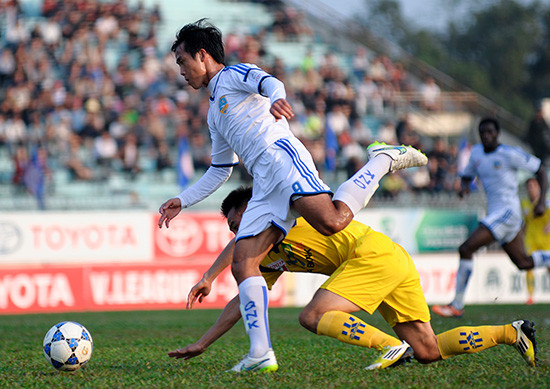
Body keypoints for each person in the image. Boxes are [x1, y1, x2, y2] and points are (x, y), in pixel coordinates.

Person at [157, 19, 428, 371]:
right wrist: (184, 199)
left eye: (182, 61)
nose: (180, 70)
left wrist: (278, 100)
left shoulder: (233, 74)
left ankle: (382, 160)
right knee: (244, 261)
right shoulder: (214, 112)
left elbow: (270, 82)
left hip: (280, 156)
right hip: (263, 178)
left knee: (331, 222)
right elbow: (221, 169)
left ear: (203, 55)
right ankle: (260, 353)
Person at [167, 186, 539, 371]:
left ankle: (387, 347)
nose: (238, 234)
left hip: (371, 255)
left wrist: (210, 273)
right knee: (428, 351)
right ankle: (512, 332)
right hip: (390, 260)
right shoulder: (266, 254)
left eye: (239, 224)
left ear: (254, 210)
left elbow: (236, 252)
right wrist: (203, 343)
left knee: (311, 315)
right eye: (234, 230)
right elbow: (243, 301)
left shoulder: (283, 214)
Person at [432, 118, 550, 318]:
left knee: (466, 248)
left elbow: (540, 170)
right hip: (497, 214)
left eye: (490, 132)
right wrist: (464, 188)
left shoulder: (509, 154)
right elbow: (467, 175)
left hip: (507, 212)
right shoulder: (476, 153)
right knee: (523, 263)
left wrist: (541, 201)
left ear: (497, 134)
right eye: (483, 132)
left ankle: (456, 305)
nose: (486, 135)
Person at [521, 178, 550, 304]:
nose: (530, 188)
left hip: (546, 240)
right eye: (529, 186)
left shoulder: (546, 201)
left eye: (533, 185)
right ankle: (530, 296)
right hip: (531, 240)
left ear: (539, 187)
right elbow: (525, 222)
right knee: (529, 267)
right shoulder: (524, 203)